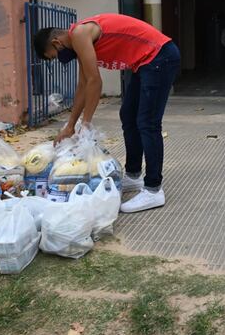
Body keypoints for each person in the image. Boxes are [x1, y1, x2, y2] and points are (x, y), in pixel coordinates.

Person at [33, 13, 180, 214]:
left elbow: (95, 82)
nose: (59, 60)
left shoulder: (79, 33)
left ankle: (153, 190)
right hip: (144, 62)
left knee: (147, 123)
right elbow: (83, 86)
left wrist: (85, 124)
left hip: (159, 56)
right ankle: (134, 175)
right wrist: (70, 126)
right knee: (128, 116)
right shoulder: (78, 41)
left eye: (54, 55)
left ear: (57, 43)